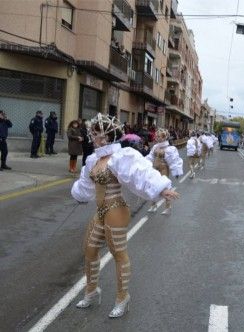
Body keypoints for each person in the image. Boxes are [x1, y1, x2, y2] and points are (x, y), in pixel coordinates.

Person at [71, 113, 179, 318]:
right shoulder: (94, 158)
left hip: (116, 210)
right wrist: (79, 195)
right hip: (100, 210)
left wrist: (162, 189)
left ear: (105, 136)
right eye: (92, 133)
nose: (91, 137)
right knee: (90, 250)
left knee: (118, 254)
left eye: (95, 134)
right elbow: (86, 184)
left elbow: (140, 173)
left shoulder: (121, 156)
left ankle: (122, 297)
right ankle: (91, 291)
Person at [145, 128, 183, 215]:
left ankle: (168, 207)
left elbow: (173, 161)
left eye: (159, 136)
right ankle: (153, 205)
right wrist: (143, 163)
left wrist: (176, 172)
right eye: (157, 136)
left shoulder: (169, 149)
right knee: (152, 186)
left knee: (165, 188)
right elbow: (150, 157)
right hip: (155, 169)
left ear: (164, 137)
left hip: (164, 169)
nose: (157, 138)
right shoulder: (155, 147)